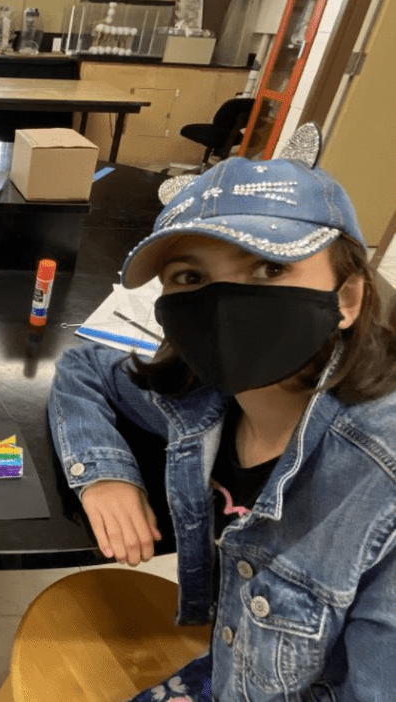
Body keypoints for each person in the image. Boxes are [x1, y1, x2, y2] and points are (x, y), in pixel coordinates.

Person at [48, 124, 396, 701]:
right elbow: (84, 368)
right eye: (191, 277)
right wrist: (105, 474)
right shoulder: (201, 395)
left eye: (268, 268)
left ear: (348, 298)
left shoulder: (380, 482)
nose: (227, 305)